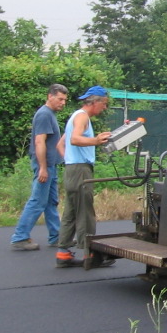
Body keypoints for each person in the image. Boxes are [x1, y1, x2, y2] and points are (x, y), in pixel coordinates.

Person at [55, 86, 113, 269]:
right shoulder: (82, 117)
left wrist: (71, 160)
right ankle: (91, 255)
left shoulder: (74, 116)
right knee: (85, 213)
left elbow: (60, 144)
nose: (104, 108)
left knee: (70, 213)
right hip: (80, 171)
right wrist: (95, 141)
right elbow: (75, 139)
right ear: (94, 102)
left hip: (72, 169)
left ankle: (63, 254)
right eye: (104, 104)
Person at [10, 84, 70, 251]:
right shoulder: (44, 114)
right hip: (45, 166)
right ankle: (20, 237)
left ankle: (56, 236)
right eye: (60, 99)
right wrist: (43, 168)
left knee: (51, 202)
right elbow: (39, 142)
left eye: (65, 100)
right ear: (50, 96)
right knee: (37, 201)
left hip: (51, 165)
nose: (63, 103)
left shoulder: (50, 114)